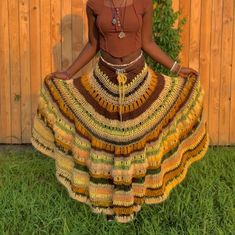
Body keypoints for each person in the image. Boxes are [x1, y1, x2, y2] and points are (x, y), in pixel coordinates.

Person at [31, 0, 209, 223]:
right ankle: (106, 203)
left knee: (135, 141)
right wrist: (68, 73)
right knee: (108, 142)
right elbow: (92, 45)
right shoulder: (94, 4)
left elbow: (148, 42)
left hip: (138, 78)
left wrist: (177, 68)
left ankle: (133, 199)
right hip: (104, 80)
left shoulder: (144, 3)